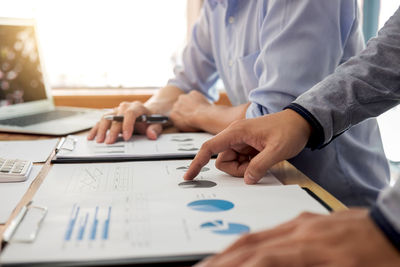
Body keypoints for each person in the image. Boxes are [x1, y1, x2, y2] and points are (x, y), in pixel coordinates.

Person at [88, 0, 389, 207]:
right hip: (271, 183)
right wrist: (146, 109)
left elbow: (275, 118)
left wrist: (199, 114)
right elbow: (184, 84)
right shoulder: (217, 6)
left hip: (339, 198)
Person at [185, 6, 400, 266]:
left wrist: (390, 227)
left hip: (346, 204)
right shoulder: (215, 7)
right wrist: (301, 117)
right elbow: (390, 55)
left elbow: (267, 110)